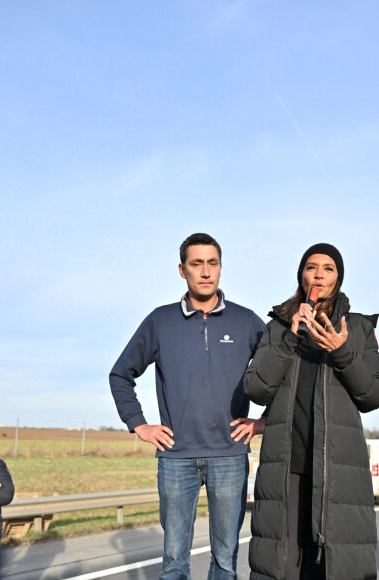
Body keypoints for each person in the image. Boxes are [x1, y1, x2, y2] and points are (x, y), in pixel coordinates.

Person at [109, 233, 266, 580]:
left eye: (212, 263)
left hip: (230, 455)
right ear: (182, 270)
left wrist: (263, 421)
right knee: (174, 563)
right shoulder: (160, 321)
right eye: (196, 264)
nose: (205, 272)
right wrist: (140, 424)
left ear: (221, 268)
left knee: (225, 562)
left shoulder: (248, 322)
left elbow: (282, 373)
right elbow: (121, 374)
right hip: (176, 457)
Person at [244, 243, 379, 580]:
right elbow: (255, 388)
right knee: (284, 565)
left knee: (330, 567)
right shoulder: (279, 326)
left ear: (338, 278)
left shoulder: (359, 328)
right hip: (287, 467)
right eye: (312, 266)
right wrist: (291, 338)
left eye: (328, 268)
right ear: (301, 274)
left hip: (336, 469)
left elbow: (374, 395)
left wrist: (343, 353)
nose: (319, 274)